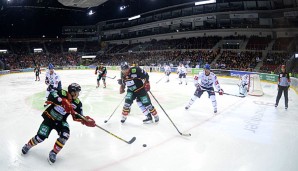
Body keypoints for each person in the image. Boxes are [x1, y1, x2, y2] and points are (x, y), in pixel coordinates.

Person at [21, 83, 96, 164]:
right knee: (40, 137)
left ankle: (53, 152)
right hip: (49, 118)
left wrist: (85, 120)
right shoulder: (61, 93)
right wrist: (62, 101)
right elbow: (51, 96)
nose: (78, 94)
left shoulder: (77, 103)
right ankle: (28, 145)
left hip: (61, 121)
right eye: (77, 92)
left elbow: (77, 116)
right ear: (72, 92)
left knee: (65, 136)